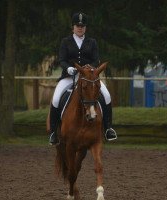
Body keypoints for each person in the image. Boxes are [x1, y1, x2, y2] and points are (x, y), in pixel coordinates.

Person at [48, 12, 117, 145]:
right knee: (56, 98)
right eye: (77, 26)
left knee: (107, 95)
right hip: (69, 76)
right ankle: (53, 132)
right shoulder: (65, 41)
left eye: (82, 26)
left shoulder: (92, 42)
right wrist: (68, 68)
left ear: (85, 28)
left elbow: (96, 60)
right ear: (73, 27)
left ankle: (108, 129)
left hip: (89, 78)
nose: (80, 28)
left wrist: (89, 68)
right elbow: (62, 59)